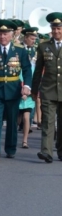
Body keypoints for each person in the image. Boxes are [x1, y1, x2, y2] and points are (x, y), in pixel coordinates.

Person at [0, 20, 32, 160]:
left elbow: (27, 69)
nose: (2, 37)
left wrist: (27, 86)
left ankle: (10, 149)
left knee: (12, 121)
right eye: (0, 34)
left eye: (5, 34)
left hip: (13, 90)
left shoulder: (20, 51)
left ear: (11, 35)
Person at [31, 12, 62, 163]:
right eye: (54, 28)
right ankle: (46, 151)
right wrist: (34, 90)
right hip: (48, 90)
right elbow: (38, 70)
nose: (56, 31)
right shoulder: (44, 46)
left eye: (59, 28)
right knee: (47, 122)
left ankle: (61, 150)